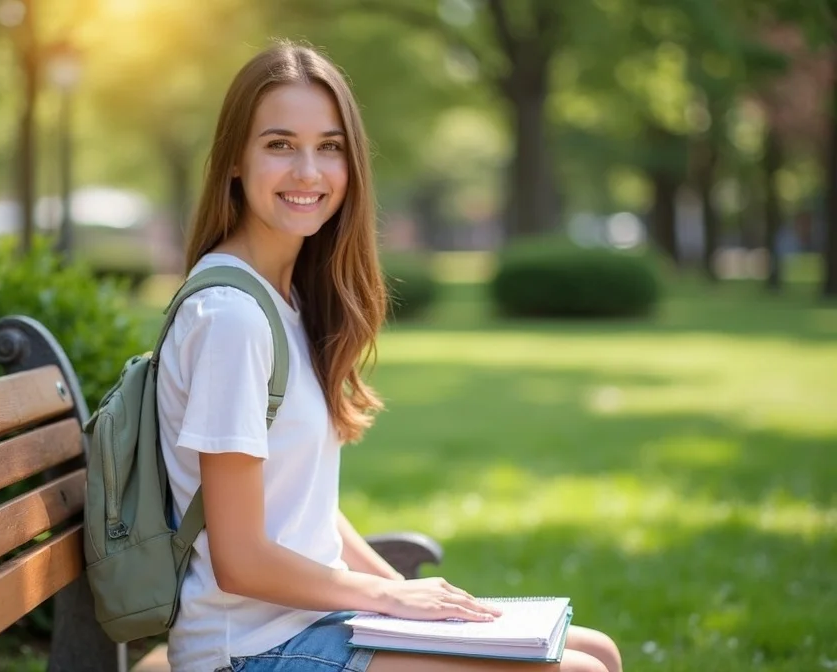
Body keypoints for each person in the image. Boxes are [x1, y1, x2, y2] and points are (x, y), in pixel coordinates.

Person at [155, 39, 624, 672]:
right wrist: (388, 595)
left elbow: (303, 511)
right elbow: (240, 559)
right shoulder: (232, 318)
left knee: (597, 650)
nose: (308, 172)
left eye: (329, 146)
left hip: (305, 625)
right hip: (247, 651)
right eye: (279, 145)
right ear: (234, 161)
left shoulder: (280, 301)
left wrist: (415, 602)